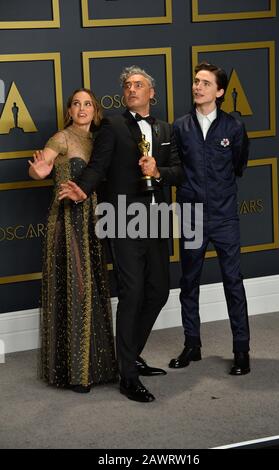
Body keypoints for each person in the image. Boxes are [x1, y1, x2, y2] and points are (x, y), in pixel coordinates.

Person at [58, 66, 184, 402]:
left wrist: (159, 172)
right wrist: (81, 189)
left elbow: (178, 171)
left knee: (158, 292)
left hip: (156, 219)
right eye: (127, 85)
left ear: (151, 93)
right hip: (123, 219)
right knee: (133, 293)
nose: (131, 89)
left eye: (138, 85)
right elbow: (98, 167)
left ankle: (129, 356)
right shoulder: (112, 126)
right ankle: (127, 376)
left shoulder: (165, 128)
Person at [29, 88, 118, 393]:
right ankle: (76, 373)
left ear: (96, 110)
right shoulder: (61, 137)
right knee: (75, 288)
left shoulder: (100, 140)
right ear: (69, 111)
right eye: (77, 104)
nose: (82, 109)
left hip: (93, 219)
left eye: (88, 104)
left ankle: (98, 367)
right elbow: (43, 165)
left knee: (92, 288)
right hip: (67, 220)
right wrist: (39, 170)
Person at [169, 62, 250, 375]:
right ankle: (192, 344)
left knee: (233, 282)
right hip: (191, 214)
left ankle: (241, 349)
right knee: (189, 282)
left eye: (205, 83)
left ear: (218, 91)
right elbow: (176, 168)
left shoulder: (234, 127)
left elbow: (239, 165)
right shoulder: (180, 127)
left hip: (225, 215)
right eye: (195, 81)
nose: (197, 87)